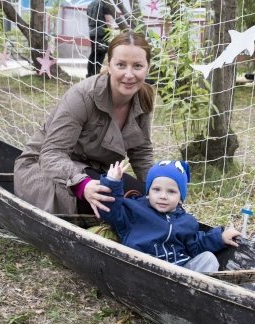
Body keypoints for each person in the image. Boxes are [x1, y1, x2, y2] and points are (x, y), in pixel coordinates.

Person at [14, 31, 155, 214]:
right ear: (109, 65)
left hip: (98, 173)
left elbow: (141, 152)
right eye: (121, 65)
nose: (129, 74)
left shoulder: (143, 98)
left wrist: (157, 187)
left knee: (142, 198)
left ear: (148, 68)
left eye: (137, 66)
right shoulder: (82, 96)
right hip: (47, 171)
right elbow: (50, 155)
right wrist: (82, 184)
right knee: (121, 207)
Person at [99, 158, 241, 273]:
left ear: (181, 197)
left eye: (171, 191)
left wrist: (220, 237)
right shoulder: (134, 209)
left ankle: (193, 294)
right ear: (148, 193)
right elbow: (111, 211)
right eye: (156, 189)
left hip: (179, 272)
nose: (163, 196)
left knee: (208, 258)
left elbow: (196, 246)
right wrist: (112, 183)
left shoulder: (187, 221)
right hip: (142, 268)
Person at [86, 0, 116, 77]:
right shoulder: (105, 3)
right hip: (102, 33)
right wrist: (112, 33)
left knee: (93, 54)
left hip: (92, 32)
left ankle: (90, 74)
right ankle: (95, 75)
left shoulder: (90, 5)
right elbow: (108, 20)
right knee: (100, 54)